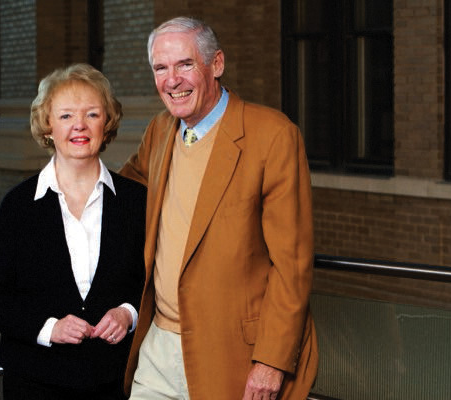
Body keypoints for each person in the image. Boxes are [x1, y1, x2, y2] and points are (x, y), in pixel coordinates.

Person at [119, 17, 318, 400]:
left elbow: (292, 265)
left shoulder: (272, 136)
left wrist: (272, 361)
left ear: (217, 64)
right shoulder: (160, 131)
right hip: (158, 346)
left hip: (234, 355)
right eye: (161, 68)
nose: (172, 80)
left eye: (185, 64)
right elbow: (118, 195)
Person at [0, 63, 146, 400]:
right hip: (33, 383)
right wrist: (50, 328)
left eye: (92, 114)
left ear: (106, 123)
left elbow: (154, 281)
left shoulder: (136, 201)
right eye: (66, 116)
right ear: (47, 126)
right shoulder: (19, 205)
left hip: (117, 382)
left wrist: (128, 313)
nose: (79, 125)